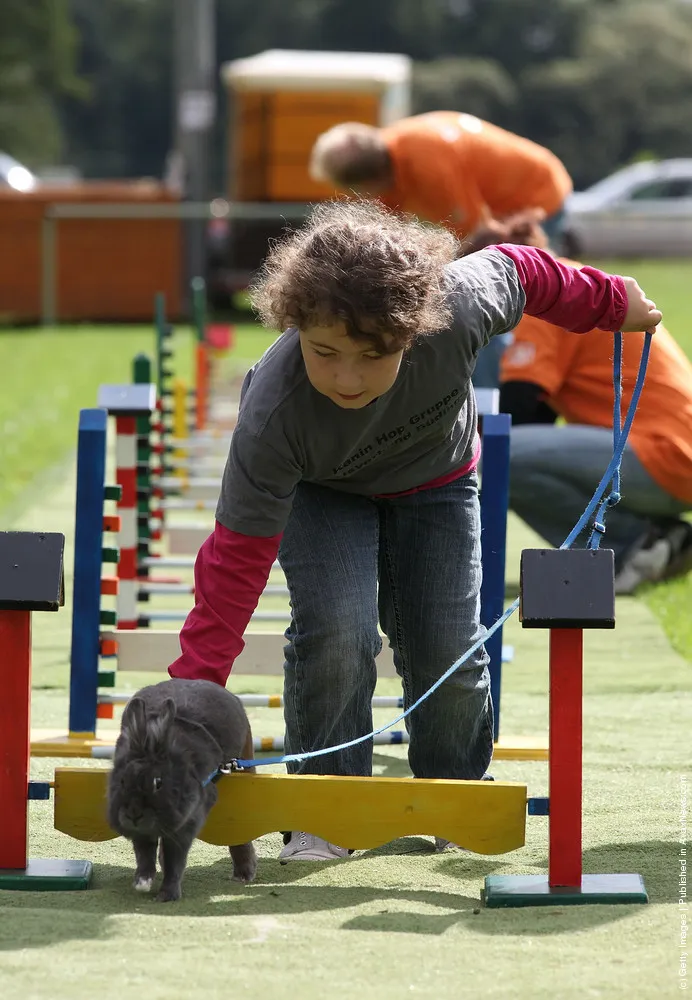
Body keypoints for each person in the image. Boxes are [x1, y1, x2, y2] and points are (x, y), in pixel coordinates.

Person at [168, 199, 661, 862]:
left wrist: (610, 301)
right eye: (325, 352)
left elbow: (524, 270)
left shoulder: (458, 307)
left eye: (373, 356)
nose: (347, 377)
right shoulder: (273, 415)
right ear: (295, 325)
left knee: (448, 650)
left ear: (414, 330)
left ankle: (455, 796)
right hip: (323, 491)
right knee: (338, 632)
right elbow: (232, 565)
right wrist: (193, 694)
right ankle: (324, 806)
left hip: (437, 483)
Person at [500, 308, 692, 595]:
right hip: (669, 453)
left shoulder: (540, 303)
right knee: (504, 458)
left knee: (497, 456)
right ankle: (660, 535)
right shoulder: (572, 288)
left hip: (663, 453)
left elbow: (517, 407)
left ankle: (636, 543)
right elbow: (534, 417)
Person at [308, 112, 572, 246]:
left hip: (537, 196)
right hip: (509, 203)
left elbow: (479, 239)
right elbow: (391, 230)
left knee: (503, 308)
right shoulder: (387, 154)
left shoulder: (428, 166)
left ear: (368, 183)